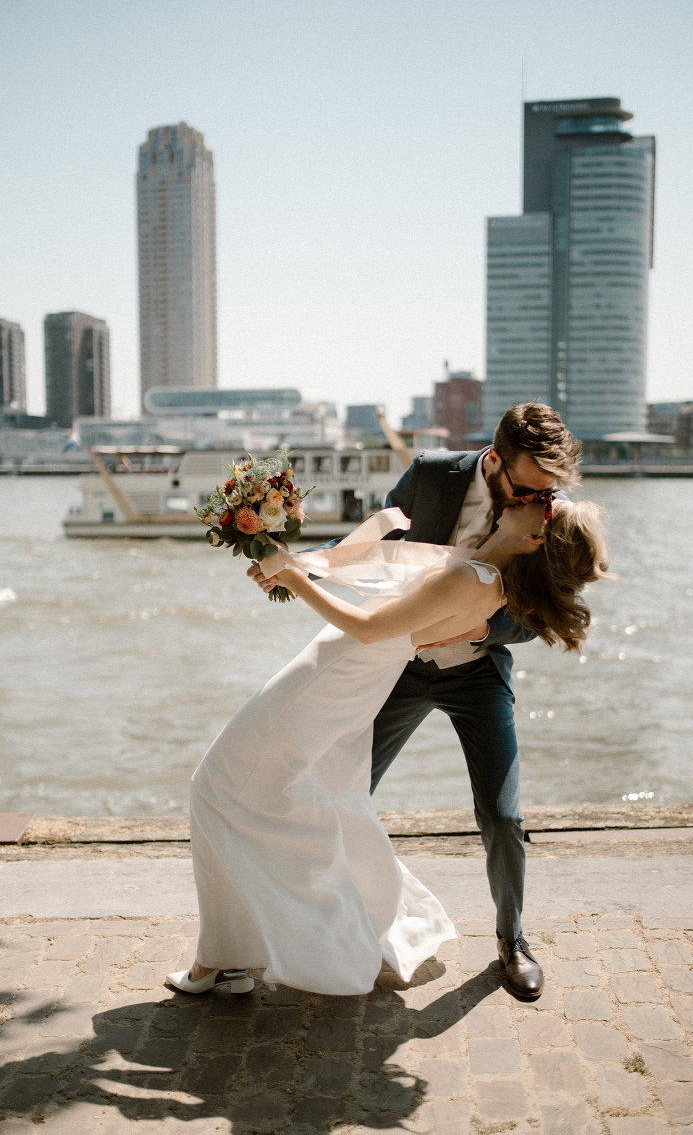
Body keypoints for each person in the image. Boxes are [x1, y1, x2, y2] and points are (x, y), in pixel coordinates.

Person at [167, 490, 609, 999]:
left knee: (216, 788)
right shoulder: (482, 571)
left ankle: (223, 959)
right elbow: (380, 565)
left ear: (534, 536)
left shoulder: (474, 579)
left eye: (545, 502)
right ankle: (229, 958)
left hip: (330, 679)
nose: (531, 495)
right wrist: (294, 558)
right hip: (336, 675)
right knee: (252, 798)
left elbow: (370, 628)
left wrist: (292, 579)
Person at [250, 400, 582, 999]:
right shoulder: (432, 473)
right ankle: (326, 923)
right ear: (495, 460)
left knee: (503, 815)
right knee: (344, 789)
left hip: (476, 671)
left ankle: (512, 939)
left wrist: (484, 628)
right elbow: (372, 544)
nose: (540, 501)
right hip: (399, 663)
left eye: (548, 490)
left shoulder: (546, 508)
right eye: (528, 488)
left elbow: (543, 613)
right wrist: (296, 565)